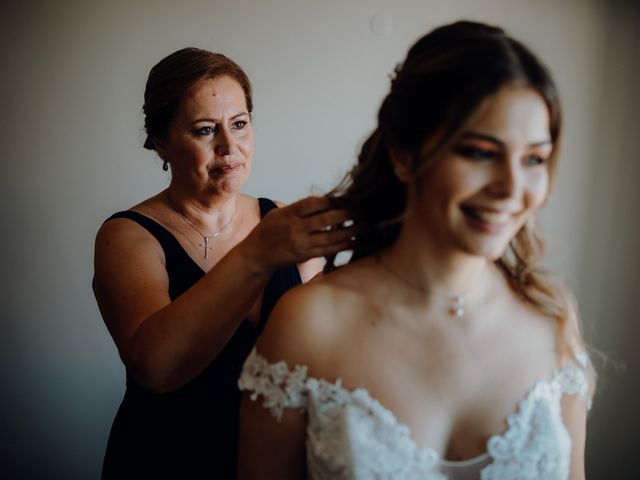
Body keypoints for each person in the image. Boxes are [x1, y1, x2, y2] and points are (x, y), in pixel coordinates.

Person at [237, 21, 595, 480]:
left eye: (534, 159)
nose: (512, 188)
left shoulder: (552, 321)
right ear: (404, 154)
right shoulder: (308, 325)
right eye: (480, 152)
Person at [93, 47, 355, 478]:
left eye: (239, 124)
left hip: (273, 463)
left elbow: (324, 356)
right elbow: (154, 367)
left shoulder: (282, 219)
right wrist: (258, 253)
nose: (229, 147)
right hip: (163, 461)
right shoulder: (126, 236)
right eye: (203, 131)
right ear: (161, 141)